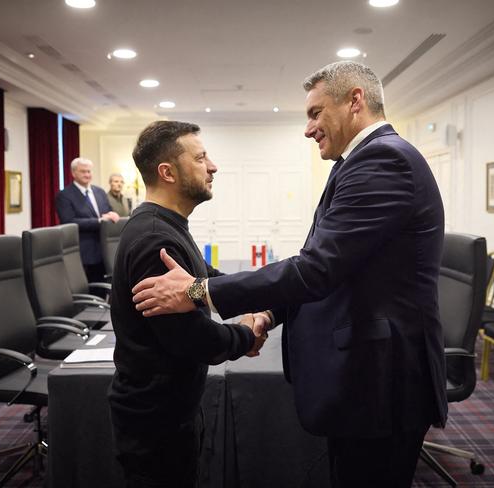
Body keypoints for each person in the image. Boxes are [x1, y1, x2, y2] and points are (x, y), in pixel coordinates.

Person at [131, 61, 448, 488]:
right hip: (366, 377)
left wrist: (199, 290)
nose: (308, 128)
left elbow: (316, 270)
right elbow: (328, 266)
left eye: (315, 113)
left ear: (355, 100)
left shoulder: (383, 161)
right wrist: (269, 313)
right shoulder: (356, 163)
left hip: (381, 382)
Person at [107, 120, 266, 488]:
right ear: (168, 173)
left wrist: (265, 294)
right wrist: (245, 335)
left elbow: (206, 280)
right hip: (155, 420)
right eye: (201, 157)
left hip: (169, 410)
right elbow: (191, 339)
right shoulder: (153, 240)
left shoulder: (168, 226)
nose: (213, 166)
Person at [55, 157, 121, 283]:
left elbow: (108, 211)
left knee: (108, 288)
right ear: (73, 173)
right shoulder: (64, 195)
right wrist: (99, 221)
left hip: (106, 250)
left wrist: (112, 214)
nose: (87, 175)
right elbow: (69, 222)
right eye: (83, 171)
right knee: (92, 291)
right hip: (84, 252)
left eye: (89, 171)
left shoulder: (100, 192)